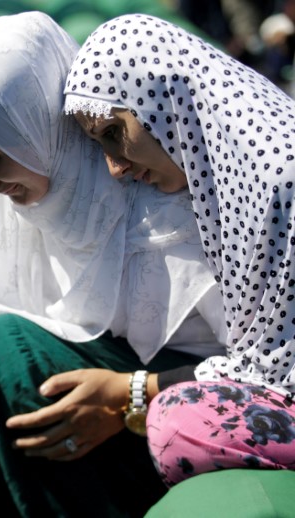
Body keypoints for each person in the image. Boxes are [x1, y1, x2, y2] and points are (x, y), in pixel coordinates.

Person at [0, 11, 229, 517]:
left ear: (39, 126)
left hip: (188, 420)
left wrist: (132, 400)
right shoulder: (25, 203)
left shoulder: (165, 199)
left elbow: (265, 373)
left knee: (2, 355)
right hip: (99, 415)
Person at [64, 13, 295, 486]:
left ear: (163, 98)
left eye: (114, 133)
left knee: (180, 423)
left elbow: (274, 372)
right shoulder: (225, 179)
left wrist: (136, 391)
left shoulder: (278, 179)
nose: (114, 168)